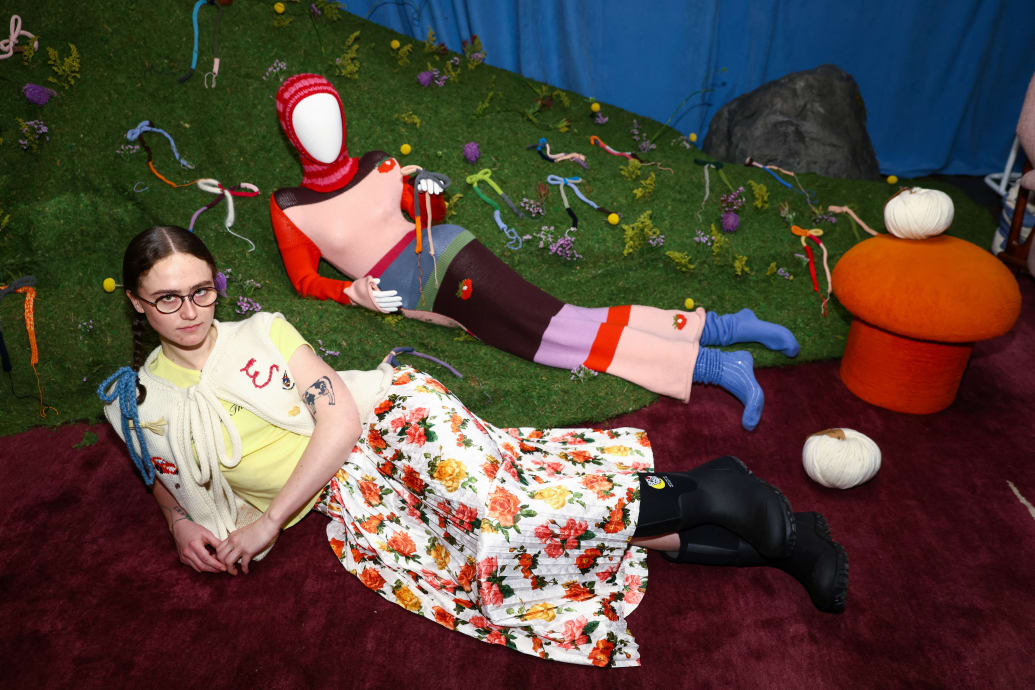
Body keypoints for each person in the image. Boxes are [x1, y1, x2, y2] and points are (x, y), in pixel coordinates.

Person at [99, 225, 848, 668]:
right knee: (521, 554)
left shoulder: (260, 333)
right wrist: (178, 523)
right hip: (352, 496)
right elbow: (160, 477)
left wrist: (265, 524)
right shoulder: (132, 401)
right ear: (136, 301)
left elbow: (338, 421)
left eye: (202, 290)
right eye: (168, 298)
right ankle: (782, 542)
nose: (192, 311)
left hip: (384, 421)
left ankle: (725, 496)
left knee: (507, 515)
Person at [269, 73, 801, 432]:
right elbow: (302, 280)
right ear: (291, 132)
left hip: (446, 253)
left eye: (330, 115)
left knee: (556, 334)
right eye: (309, 122)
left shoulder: (380, 165)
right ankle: (722, 330)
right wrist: (352, 292)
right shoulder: (290, 206)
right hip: (404, 289)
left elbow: (427, 218)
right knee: (566, 322)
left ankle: (713, 363)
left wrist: (431, 193)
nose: (325, 131)